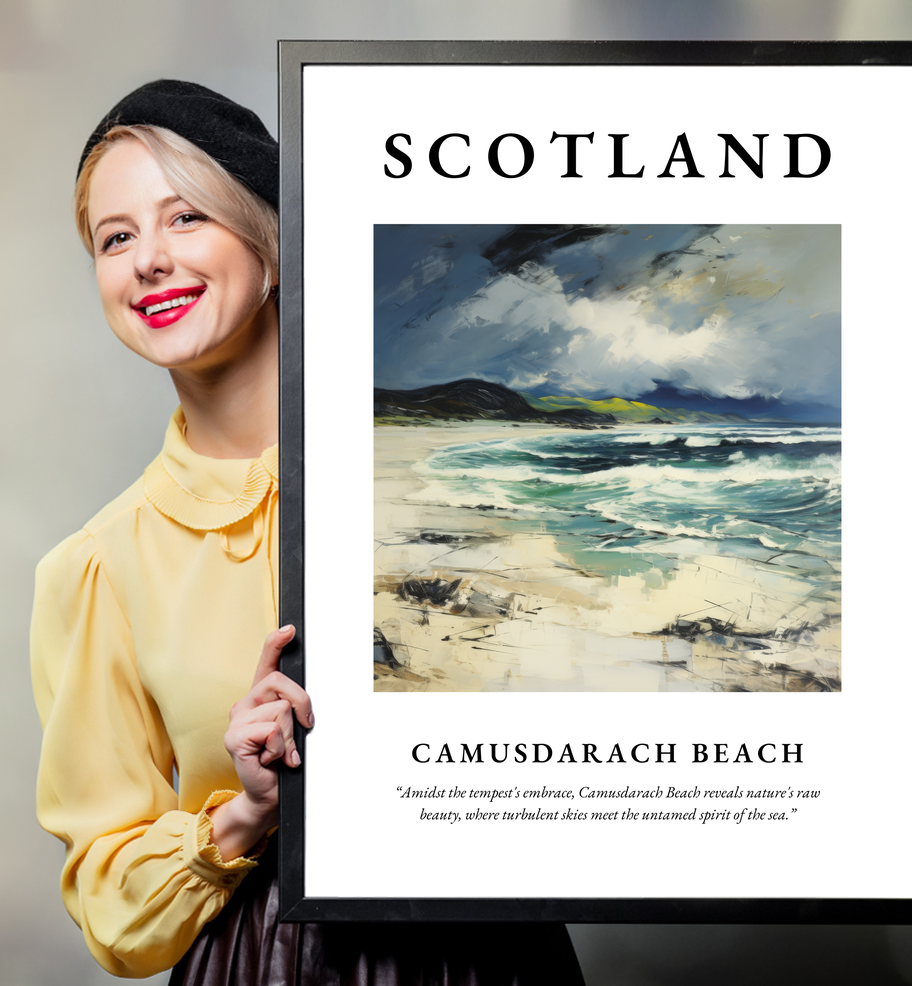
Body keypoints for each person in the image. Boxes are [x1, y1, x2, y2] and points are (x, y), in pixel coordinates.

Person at [30, 80, 585, 984]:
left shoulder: (450, 481)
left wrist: (886, 688)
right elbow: (110, 904)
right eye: (116, 237)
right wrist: (245, 812)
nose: (148, 261)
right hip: (263, 961)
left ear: (274, 245)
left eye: (186, 219)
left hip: (493, 953)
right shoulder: (97, 567)